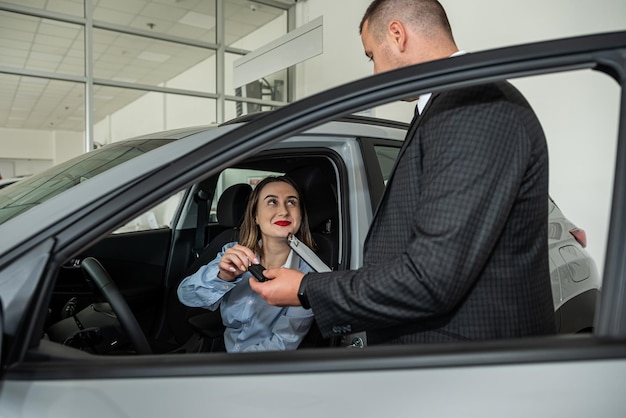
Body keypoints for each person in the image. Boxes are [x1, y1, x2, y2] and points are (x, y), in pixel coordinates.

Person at [250, 0, 556, 345]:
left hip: (466, 366)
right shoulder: (446, 106)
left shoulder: (472, 105)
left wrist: (305, 288)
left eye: (371, 56)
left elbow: (431, 277)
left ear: (397, 35)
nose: (375, 72)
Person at [178, 176, 316, 352]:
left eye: (291, 202)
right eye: (272, 202)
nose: (283, 211)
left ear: (300, 215)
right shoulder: (234, 252)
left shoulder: (307, 275)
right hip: (223, 348)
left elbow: (282, 344)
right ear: (255, 216)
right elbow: (186, 295)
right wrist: (223, 277)